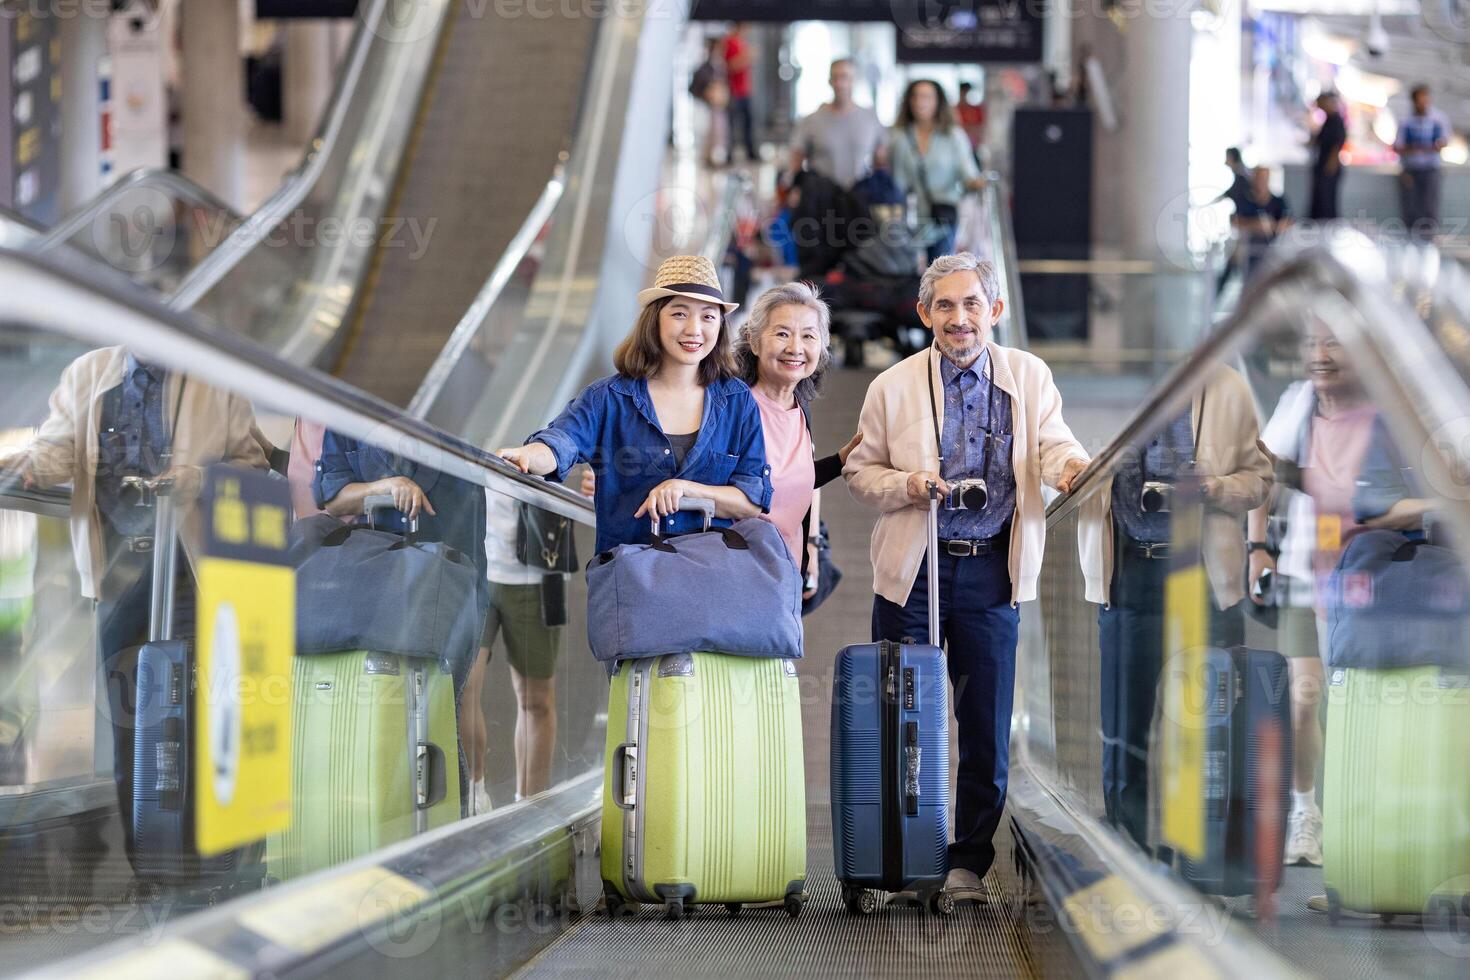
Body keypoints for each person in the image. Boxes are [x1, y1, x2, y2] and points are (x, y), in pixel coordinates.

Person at [845, 253, 1089, 900]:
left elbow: (1054, 441)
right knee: (902, 718)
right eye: (945, 306)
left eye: (972, 304)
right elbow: (860, 471)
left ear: (995, 311)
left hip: (989, 575)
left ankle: (966, 864)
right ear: (924, 313)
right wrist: (906, 484)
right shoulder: (892, 385)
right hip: (913, 572)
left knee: (984, 725)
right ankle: (899, 853)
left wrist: (1070, 468)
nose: (960, 319)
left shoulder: (1028, 375)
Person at [0, 348, 267, 868]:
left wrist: (197, 477)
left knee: (193, 712)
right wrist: (23, 465)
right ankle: (151, 863)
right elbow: (55, 452)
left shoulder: (216, 378)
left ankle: (206, 859)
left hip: (191, 571)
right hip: (117, 576)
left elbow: (252, 463)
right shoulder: (87, 374)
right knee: (128, 722)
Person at [1077, 366, 1272, 853]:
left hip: (1203, 577)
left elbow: (1260, 479)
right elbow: (1063, 467)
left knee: (1206, 726)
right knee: (1125, 731)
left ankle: (1203, 854)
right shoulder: (1104, 383)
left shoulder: (1226, 385)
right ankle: (1131, 854)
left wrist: (1213, 488)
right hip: (1128, 572)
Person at [497, 255, 771, 555]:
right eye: (679, 314)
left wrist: (686, 490)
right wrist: (527, 455)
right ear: (655, 320)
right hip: (629, 583)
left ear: (720, 325)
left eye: (708, 316)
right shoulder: (609, 398)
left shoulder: (736, 401)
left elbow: (751, 501)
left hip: (708, 585)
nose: (694, 329)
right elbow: (562, 441)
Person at [1248, 321, 1376, 870]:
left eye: (1334, 342)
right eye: (1311, 342)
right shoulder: (1298, 402)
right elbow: (1262, 474)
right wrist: (1257, 547)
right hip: (1305, 569)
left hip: (1367, 573)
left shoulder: (1386, 409)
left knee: (1357, 702)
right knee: (1304, 695)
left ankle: (1359, 818)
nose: (1320, 355)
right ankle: (1306, 812)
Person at [312, 432, 489, 695]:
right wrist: (385, 487)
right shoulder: (351, 410)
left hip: (449, 581)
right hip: (379, 584)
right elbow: (334, 499)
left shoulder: (454, 408)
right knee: (386, 699)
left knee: (446, 701)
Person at [732, 282, 861, 602]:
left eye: (808, 335)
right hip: (738, 572)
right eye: (782, 334)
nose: (796, 347)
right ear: (754, 341)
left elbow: (794, 479)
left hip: (785, 570)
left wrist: (811, 550)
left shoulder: (798, 407)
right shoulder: (735, 408)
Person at [889, 79, 986, 262]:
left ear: (938, 102)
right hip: (911, 219)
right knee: (909, 273)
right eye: (915, 96)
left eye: (926, 96)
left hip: (943, 216)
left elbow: (969, 175)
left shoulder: (953, 136)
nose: (920, 102)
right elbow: (897, 184)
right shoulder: (900, 138)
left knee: (939, 271)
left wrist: (979, 183)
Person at [789, 58, 887, 192]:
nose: (840, 84)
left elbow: (881, 159)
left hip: (859, 196)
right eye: (835, 78)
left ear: (854, 80)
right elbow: (796, 158)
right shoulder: (811, 120)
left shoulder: (870, 118)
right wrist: (796, 189)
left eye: (845, 77)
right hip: (822, 197)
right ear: (829, 81)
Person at [1394, 84, 1450, 240]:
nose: (1423, 103)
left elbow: (1442, 143)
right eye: (1420, 100)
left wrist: (1418, 148)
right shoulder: (1405, 121)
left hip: (1430, 169)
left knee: (1429, 206)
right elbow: (1399, 146)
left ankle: (1428, 240)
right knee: (1411, 206)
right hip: (1411, 169)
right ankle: (1410, 241)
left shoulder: (1439, 119)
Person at [1232, 166, 1290, 285]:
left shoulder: (1278, 201)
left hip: (1273, 252)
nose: (1260, 181)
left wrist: (1274, 226)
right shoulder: (1245, 200)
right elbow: (1235, 222)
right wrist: (1255, 224)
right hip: (1249, 253)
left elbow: (1289, 222)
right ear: (1253, 178)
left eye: (1264, 178)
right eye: (1258, 177)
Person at [721, 22, 757, 163]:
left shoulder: (742, 43)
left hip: (745, 90)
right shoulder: (729, 42)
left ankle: (750, 152)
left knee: (748, 123)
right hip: (734, 90)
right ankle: (729, 155)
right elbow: (730, 66)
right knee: (732, 124)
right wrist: (746, 57)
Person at [1309, 92, 1347, 221]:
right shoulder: (1328, 120)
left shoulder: (1336, 121)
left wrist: (1331, 163)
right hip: (1322, 164)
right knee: (1319, 199)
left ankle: (1327, 225)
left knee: (1327, 200)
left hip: (1329, 167)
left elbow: (1338, 143)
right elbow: (1318, 141)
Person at [955, 81, 986, 163]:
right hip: (957, 147)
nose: (965, 94)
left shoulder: (976, 110)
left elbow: (980, 129)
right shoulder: (954, 110)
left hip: (973, 147)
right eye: (963, 92)